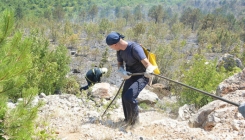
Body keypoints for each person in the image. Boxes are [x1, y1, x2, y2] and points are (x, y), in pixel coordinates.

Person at [106, 31, 157, 127]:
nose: (111, 48)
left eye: (110, 46)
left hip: (142, 76)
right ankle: (128, 120)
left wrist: (149, 70)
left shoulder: (135, 48)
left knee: (129, 97)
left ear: (115, 44)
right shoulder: (119, 51)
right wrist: (122, 72)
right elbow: (120, 65)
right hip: (131, 76)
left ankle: (135, 124)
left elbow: (147, 64)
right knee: (124, 96)